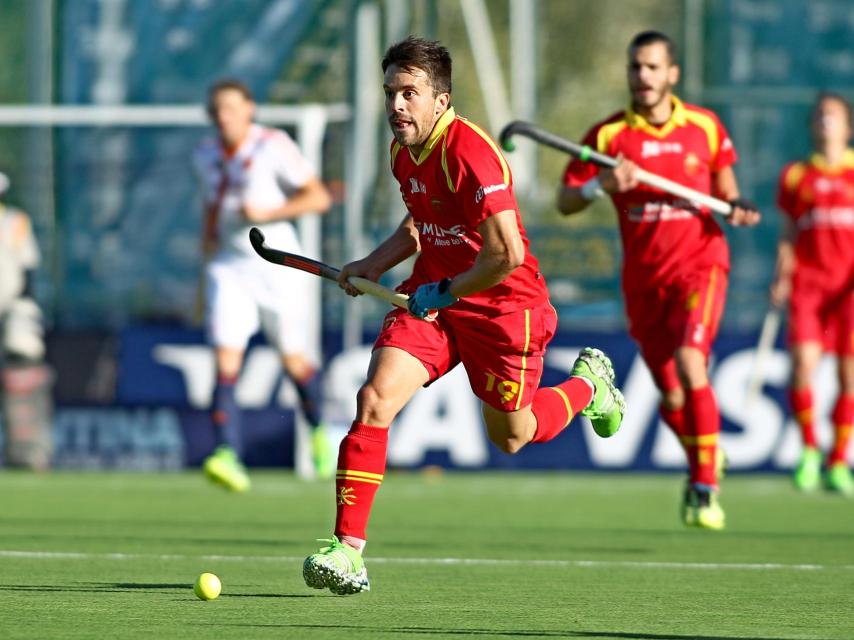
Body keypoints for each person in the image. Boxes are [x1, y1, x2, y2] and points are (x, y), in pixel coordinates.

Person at [301, 36, 625, 596]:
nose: (396, 106)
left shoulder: (471, 153)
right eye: (390, 93)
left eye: (410, 93)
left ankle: (586, 387)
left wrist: (449, 290)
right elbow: (420, 221)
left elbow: (507, 256)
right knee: (374, 400)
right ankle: (347, 551)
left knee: (514, 435)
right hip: (436, 297)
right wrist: (373, 265)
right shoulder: (405, 151)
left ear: (441, 100)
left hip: (504, 308)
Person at [557, 31, 761, 530]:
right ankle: (705, 456)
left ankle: (704, 488)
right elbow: (566, 199)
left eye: (652, 67)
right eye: (635, 67)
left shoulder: (705, 128)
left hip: (700, 266)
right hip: (643, 281)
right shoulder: (609, 139)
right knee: (671, 395)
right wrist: (601, 186)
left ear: (672, 74)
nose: (642, 77)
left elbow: (728, 193)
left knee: (693, 364)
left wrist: (738, 209)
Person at [192, 79, 334, 490]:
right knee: (225, 359)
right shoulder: (204, 155)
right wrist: (204, 262)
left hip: (275, 263)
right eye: (218, 110)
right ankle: (227, 454)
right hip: (229, 265)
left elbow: (318, 197)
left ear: (249, 109)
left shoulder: (273, 144)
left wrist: (271, 212)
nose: (225, 117)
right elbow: (209, 209)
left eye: (232, 108)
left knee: (293, 360)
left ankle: (319, 428)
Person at [771, 92, 854, 495]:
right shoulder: (796, 176)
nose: (825, 122)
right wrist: (781, 275)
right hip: (809, 285)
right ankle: (808, 449)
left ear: (847, 126)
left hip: (849, 289)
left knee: (848, 375)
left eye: (833, 116)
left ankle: (838, 461)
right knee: (803, 365)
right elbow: (788, 234)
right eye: (820, 116)